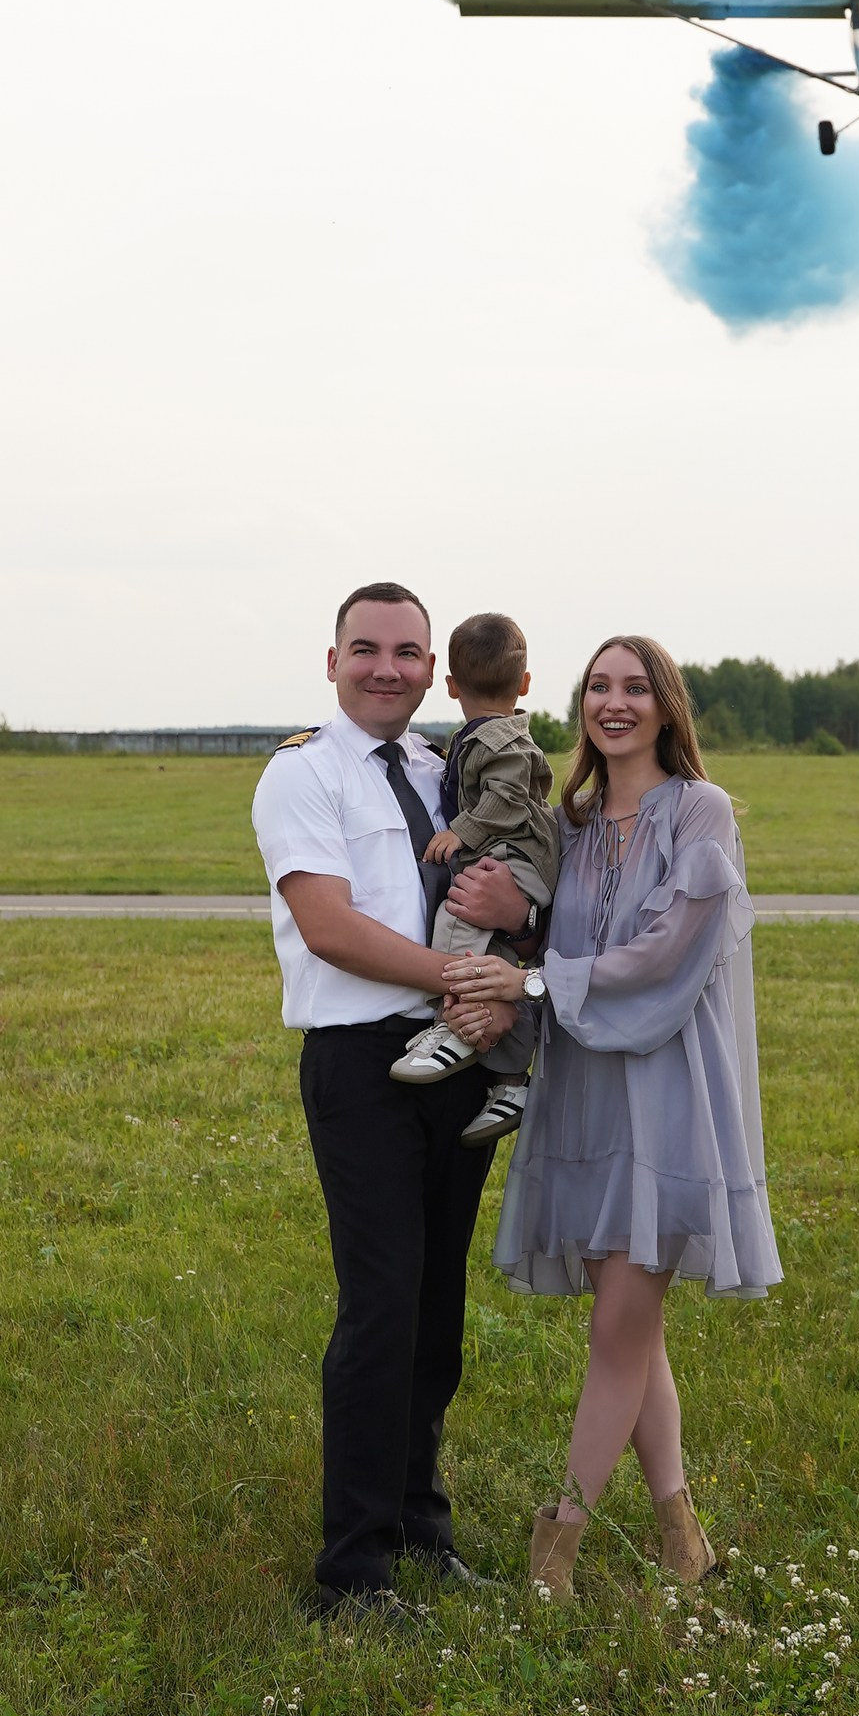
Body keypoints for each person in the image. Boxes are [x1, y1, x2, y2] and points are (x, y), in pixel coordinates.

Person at [478, 633, 779, 1602]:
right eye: (598, 687)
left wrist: (529, 974)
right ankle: (680, 1537)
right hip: (581, 1094)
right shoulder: (564, 823)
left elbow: (662, 955)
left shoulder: (700, 813)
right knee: (630, 1329)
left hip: (662, 1092)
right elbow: (539, 924)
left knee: (619, 1327)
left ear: (666, 705)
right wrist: (504, 909)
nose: (614, 703)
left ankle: (554, 1548)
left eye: (634, 687)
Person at [250, 581, 531, 1619]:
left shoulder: (448, 770)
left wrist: (513, 953)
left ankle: (421, 1525)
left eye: (409, 652)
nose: (388, 668)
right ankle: (353, 1568)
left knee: (435, 1309)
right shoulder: (301, 774)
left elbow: (512, 883)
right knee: (379, 1307)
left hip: (460, 1054)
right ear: (332, 662)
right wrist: (460, 982)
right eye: (366, 648)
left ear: (435, 672)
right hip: (365, 1064)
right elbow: (327, 925)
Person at [389, 610, 563, 1146]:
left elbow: (508, 797)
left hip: (517, 858)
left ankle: (457, 1026)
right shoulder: (481, 736)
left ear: (450, 685)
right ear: (526, 682)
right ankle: (511, 1083)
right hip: (509, 858)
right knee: (498, 959)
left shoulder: (499, 741)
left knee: (458, 917)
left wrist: (460, 832)